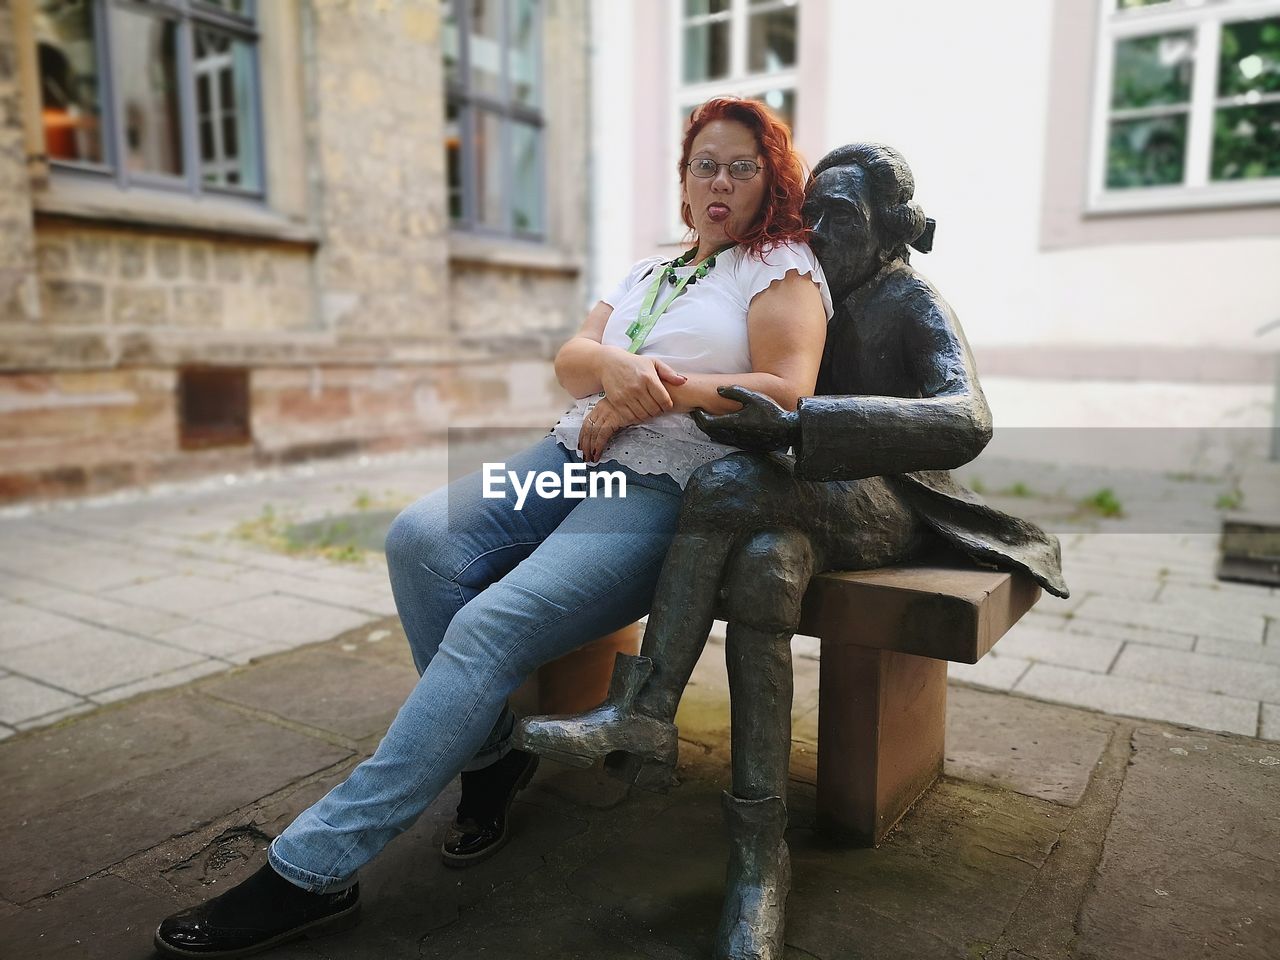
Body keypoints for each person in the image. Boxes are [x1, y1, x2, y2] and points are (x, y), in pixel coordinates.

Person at [151, 96, 831, 958]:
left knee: (491, 625)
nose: (722, 180)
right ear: (685, 184)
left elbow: (789, 391)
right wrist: (612, 369)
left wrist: (653, 387)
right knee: (420, 541)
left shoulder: (780, 264)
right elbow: (571, 360)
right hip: (569, 449)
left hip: (675, 483)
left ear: (770, 177)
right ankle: (495, 753)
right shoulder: (649, 270)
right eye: (706, 165)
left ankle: (313, 868)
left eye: (743, 164)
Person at [515, 142, 1069, 960]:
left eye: (837, 216)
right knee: (767, 563)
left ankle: (645, 709)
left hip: (894, 500)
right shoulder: (803, 287)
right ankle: (756, 859)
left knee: (722, 493)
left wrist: (807, 425)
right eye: (809, 211)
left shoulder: (909, 299)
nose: (815, 228)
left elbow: (968, 419)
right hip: (806, 496)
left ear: (892, 229)